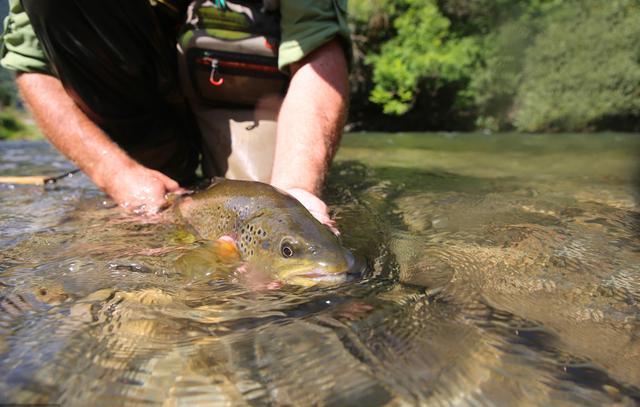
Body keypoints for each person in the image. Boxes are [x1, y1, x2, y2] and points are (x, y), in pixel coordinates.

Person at [0, 0, 350, 230]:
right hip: (129, 82)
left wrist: (295, 189)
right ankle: (155, 169)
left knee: (263, 214)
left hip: (236, 75)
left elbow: (316, 45)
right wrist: (115, 172)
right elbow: (31, 62)